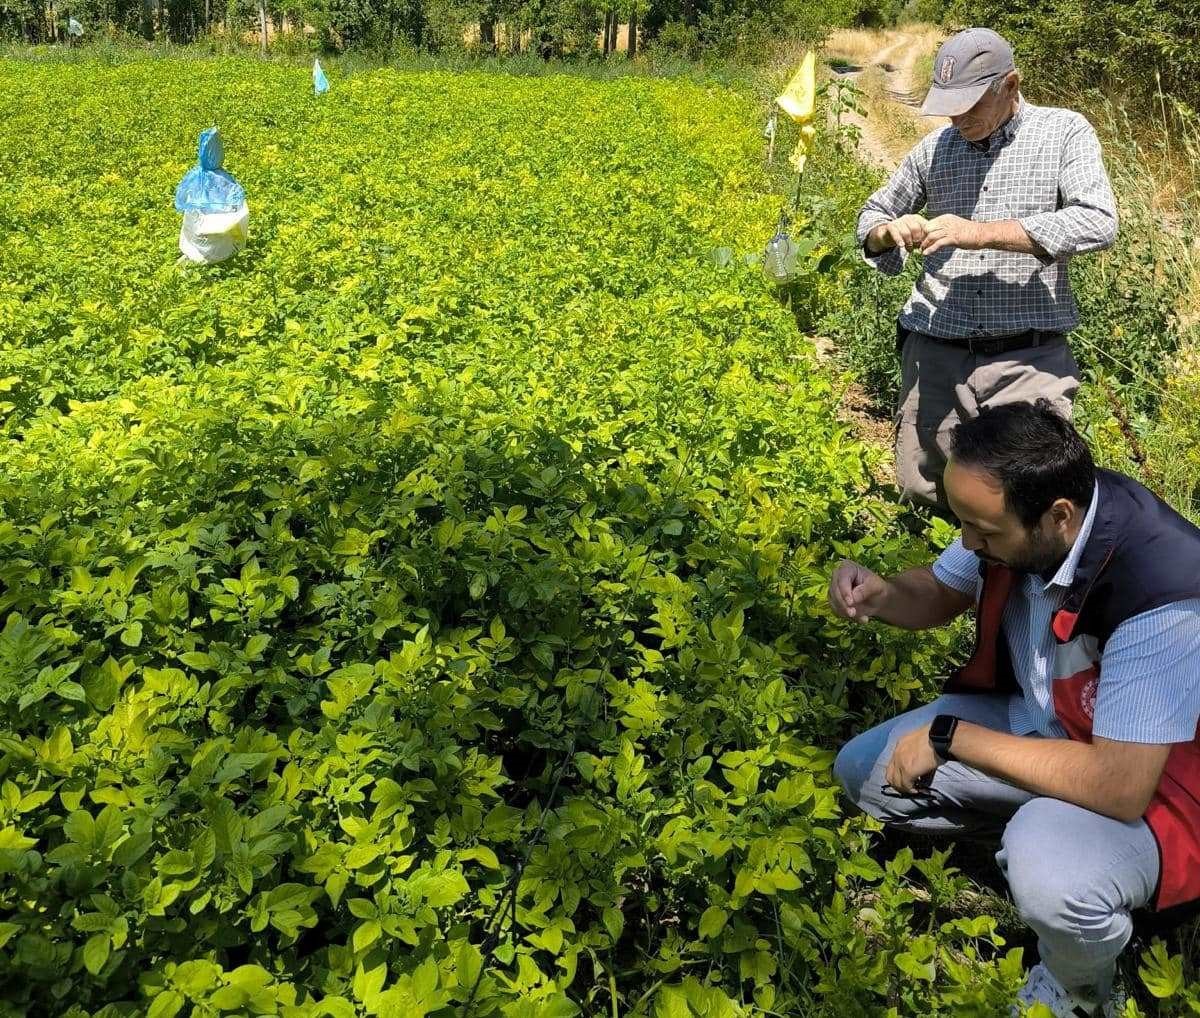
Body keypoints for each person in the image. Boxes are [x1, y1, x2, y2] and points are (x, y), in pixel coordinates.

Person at [829, 401, 1200, 1017]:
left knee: (1048, 865)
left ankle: (1081, 986)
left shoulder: (1159, 590)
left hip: (1162, 791)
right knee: (863, 771)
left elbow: (1120, 787)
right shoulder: (1024, 515)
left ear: (1058, 518)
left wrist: (952, 738)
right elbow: (943, 590)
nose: (970, 544)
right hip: (1051, 729)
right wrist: (885, 594)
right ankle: (1048, 843)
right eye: (963, 526)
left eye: (982, 533)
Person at [857, 28, 1118, 510]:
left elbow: (1098, 221)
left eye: (971, 103)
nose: (958, 117)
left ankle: (1017, 588)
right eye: (949, 105)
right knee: (924, 491)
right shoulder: (936, 148)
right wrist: (887, 230)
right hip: (936, 351)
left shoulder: (1063, 132)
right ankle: (937, 583)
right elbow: (871, 215)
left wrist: (977, 232)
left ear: (1010, 86)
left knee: (1025, 504)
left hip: (1026, 360)